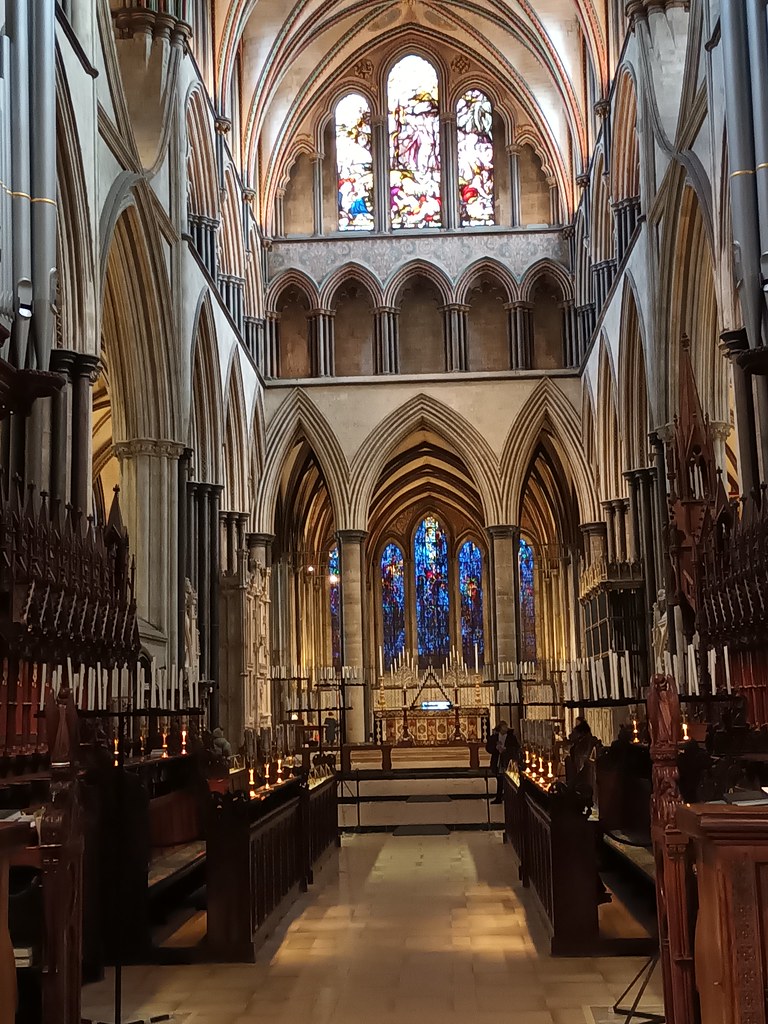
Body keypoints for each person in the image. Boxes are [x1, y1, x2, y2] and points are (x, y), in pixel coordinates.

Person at [486, 720, 520, 803]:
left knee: (509, 781)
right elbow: (488, 748)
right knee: (499, 780)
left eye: (506, 726)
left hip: (508, 760)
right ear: (500, 728)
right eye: (504, 726)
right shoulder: (494, 737)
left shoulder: (511, 737)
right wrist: (496, 748)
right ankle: (498, 798)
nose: (506, 728)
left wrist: (506, 749)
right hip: (498, 760)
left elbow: (516, 747)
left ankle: (509, 797)